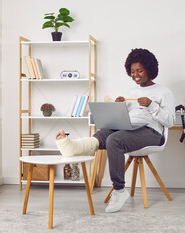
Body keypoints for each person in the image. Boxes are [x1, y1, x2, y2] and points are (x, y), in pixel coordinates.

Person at [56, 48, 175, 213]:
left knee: (114, 140)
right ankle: (75, 146)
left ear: (150, 69)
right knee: (105, 131)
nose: (135, 75)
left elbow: (170, 121)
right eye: (132, 71)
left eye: (139, 70)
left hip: (151, 133)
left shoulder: (164, 92)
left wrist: (152, 105)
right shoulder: (132, 91)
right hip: (130, 128)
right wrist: (119, 107)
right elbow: (130, 115)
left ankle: (119, 191)